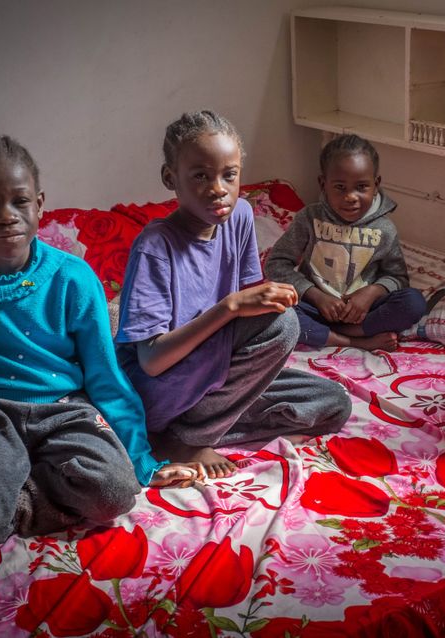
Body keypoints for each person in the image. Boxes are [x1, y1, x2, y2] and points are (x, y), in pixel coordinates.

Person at [0, 134, 202, 557]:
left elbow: (104, 372)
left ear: (40, 204)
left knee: (116, 493)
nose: (6, 216)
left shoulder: (73, 278)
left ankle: (4, 493)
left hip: (62, 408)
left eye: (19, 201)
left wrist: (142, 461)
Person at [115, 111, 352, 479]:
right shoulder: (155, 246)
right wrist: (229, 308)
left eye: (230, 175)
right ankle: (187, 438)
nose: (218, 189)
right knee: (282, 324)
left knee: (332, 404)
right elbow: (151, 361)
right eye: (200, 176)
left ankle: (182, 434)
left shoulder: (240, 216)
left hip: (214, 375)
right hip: (157, 391)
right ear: (170, 178)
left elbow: (248, 315)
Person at [265, 134, 427, 352]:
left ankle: (345, 333)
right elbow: (276, 264)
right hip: (314, 307)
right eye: (340, 187)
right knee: (271, 310)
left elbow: (397, 277)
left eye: (361, 186)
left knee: (414, 302)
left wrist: (371, 293)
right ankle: (354, 341)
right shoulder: (309, 218)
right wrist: (314, 294)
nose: (351, 196)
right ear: (323, 184)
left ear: (376, 184)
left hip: (362, 314)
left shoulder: (384, 229)